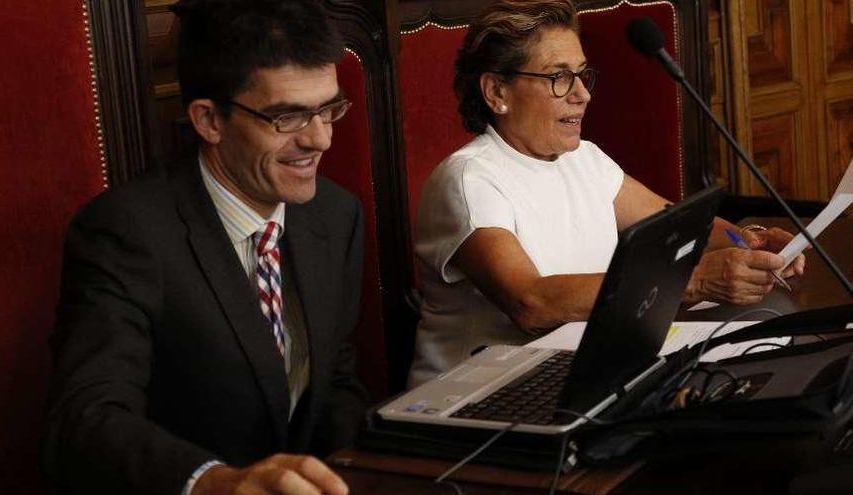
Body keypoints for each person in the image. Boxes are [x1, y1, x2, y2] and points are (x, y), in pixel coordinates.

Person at [41, 1, 365, 494]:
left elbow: (335, 385)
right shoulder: (126, 232)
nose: (320, 139)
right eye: (287, 118)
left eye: (328, 109)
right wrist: (216, 483)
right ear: (209, 120)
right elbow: (85, 420)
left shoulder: (336, 215)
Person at [407, 0, 805, 387]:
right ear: (497, 92)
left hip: (584, 372)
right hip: (486, 398)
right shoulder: (468, 180)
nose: (583, 94)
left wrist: (751, 242)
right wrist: (696, 281)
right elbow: (531, 302)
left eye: (581, 74)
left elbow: (677, 226)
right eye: (558, 77)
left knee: (775, 329)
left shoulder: (582, 158)